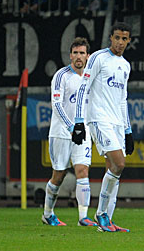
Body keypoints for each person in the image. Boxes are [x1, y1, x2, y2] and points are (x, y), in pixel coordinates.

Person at [72, 22, 134, 233]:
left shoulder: (125, 65)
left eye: (124, 39)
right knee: (119, 164)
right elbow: (83, 88)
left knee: (113, 170)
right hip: (99, 119)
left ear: (129, 41)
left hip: (117, 122)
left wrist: (128, 130)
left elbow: (123, 99)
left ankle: (107, 221)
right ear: (111, 38)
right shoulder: (98, 57)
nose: (120, 42)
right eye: (117, 38)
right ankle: (100, 214)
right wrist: (79, 121)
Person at [41, 37, 97, 227]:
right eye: (76, 53)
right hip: (62, 133)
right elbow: (56, 105)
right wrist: (72, 127)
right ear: (70, 55)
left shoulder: (91, 78)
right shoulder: (61, 76)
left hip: (83, 133)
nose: (79, 56)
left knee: (82, 170)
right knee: (59, 175)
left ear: (88, 56)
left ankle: (83, 217)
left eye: (82, 53)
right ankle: (48, 213)